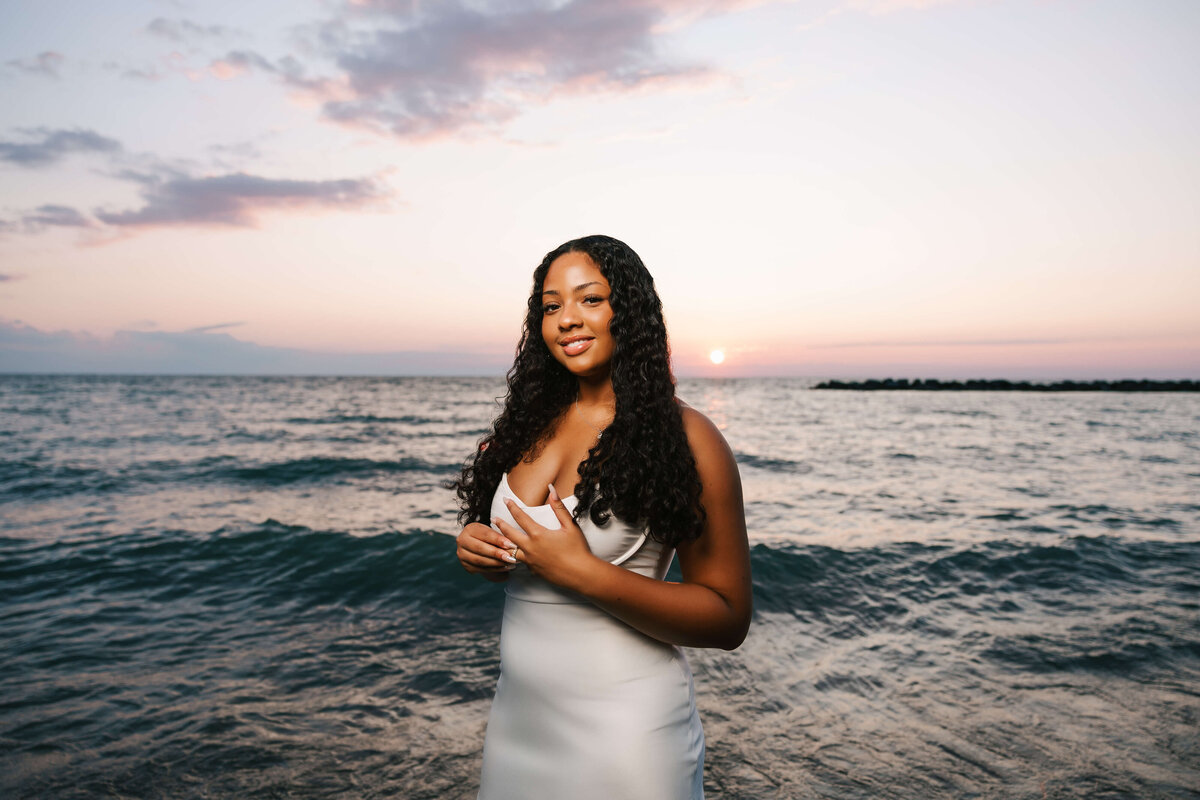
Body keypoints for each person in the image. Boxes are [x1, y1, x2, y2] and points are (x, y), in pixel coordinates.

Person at [453, 234, 751, 800]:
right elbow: (519, 549)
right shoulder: (526, 427)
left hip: (628, 735)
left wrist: (583, 572)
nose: (567, 319)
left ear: (629, 311)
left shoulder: (688, 438)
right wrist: (480, 549)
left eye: (590, 299)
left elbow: (728, 617)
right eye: (551, 305)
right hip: (519, 724)